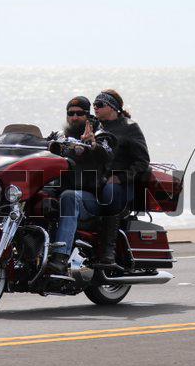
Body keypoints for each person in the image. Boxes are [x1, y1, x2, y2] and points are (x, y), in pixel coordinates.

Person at [48, 96, 114, 274]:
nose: (74, 117)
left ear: (87, 115)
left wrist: (93, 145)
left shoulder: (101, 135)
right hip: (63, 191)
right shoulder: (61, 136)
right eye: (71, 113)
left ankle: (60, 257)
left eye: (79, 113)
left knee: (69, 196)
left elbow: (107, 153)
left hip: (91, 198)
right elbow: (40, 144)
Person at [93, 89, 150, 268]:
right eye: (94, 104)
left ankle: (108, 251)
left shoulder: (129, 127)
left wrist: (120, 178)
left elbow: (143, 161)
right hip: (97, 182)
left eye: (99, 104)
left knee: (110, 194)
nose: (95, 107)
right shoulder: (95, 127)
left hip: (122, 185)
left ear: (112, 107)